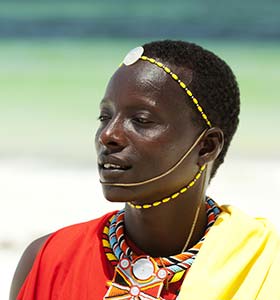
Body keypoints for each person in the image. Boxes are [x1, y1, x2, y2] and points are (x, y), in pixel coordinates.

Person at [10, 40, 280, 300]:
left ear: (206, 147)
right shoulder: (50, 260)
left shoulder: (266, 265)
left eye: (141, 120)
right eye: (105, 117)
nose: (108, 135)